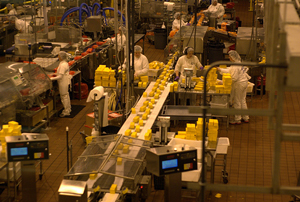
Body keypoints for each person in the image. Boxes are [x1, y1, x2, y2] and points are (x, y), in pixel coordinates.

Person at [217, 50, 251, 124]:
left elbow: (234, 78)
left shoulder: (235, 65)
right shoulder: (238, 63)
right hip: (244, 83)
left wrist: (223, 82)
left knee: (237, 102)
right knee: (242, 101)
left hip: (239, 84)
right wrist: (220, 69)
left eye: (230, 57)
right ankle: (245, 117)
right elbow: (230, 70)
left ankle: (237, 119)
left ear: (233, 57)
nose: (229, 58)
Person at [51, 51, 72, 117]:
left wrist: (50, 79)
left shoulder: (63, 65)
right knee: (66, 95)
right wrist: (53, 74)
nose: (58, 56)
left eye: (58, 55)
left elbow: (60, 76)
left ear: (61, 57)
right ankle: (68, 109)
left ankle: (66, 111)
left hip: (63, 82)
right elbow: (60, 73)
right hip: (65, 81)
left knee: (64, 96)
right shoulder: (63, 63)